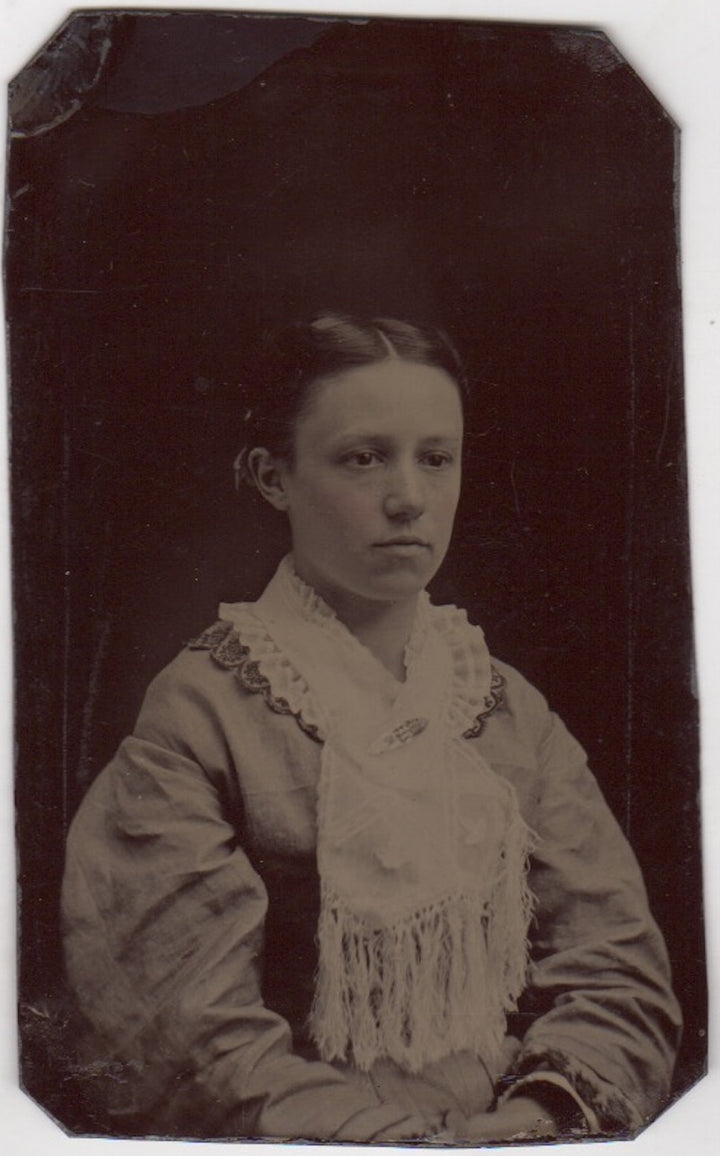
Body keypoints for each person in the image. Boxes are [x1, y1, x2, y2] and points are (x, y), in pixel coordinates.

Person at [61, 313, 682, 1143]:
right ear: (272, 476)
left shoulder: (503, 709)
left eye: (436, 458)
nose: (409, 498)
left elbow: (617, 971)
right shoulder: (200, 714)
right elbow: (180, 1035)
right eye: (363, 458)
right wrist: (404, 1144)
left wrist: (533, 1118)